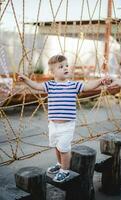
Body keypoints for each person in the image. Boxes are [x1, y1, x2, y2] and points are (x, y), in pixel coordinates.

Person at [18, 54, 111, 183]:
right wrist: (26, 79)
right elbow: (36, 86)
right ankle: (60, 164)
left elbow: (88, 86)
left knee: (64, 148)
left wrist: (100, 81)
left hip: (67, 125)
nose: (66, 68)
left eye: (66, 65)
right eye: (61, 67)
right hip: (53, 124)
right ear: (52, 71)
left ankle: (65, 170)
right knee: (57, 146)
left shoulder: (73, 85)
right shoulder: (50, 85)